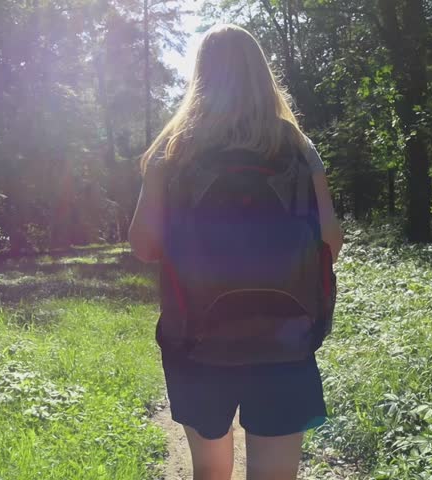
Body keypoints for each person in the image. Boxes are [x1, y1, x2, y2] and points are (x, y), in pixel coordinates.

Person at [129, 24, 343, 480]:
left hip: (196, 339)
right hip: (285, 341)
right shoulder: (298, 148)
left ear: (200, 77)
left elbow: (144, 246)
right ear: (261, 74)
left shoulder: (172, 150)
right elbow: (331, 242)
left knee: (210, 473)